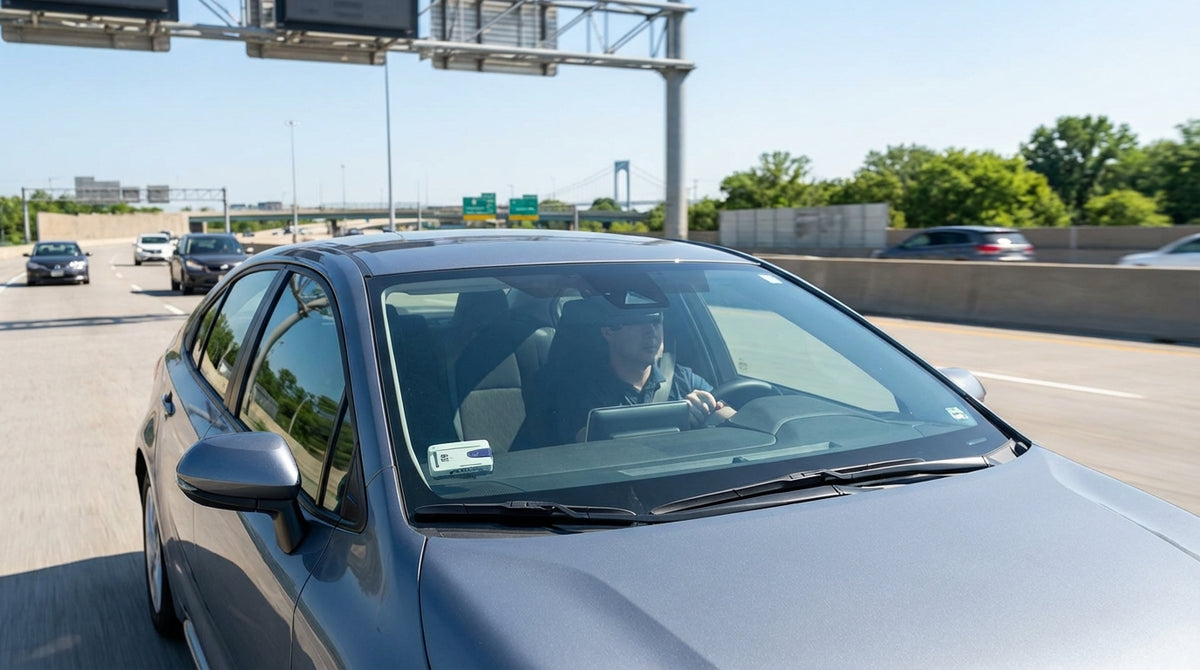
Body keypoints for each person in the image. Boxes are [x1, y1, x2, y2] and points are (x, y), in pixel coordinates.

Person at [544, 298, 735, 444]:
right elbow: (587, 444)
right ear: (608, 332)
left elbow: (732, 419)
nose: (651, 331)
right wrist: (677, 418)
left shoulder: (683, 379)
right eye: (638, 321)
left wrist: (712, 409)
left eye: (656, 320)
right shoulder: (579, 390)